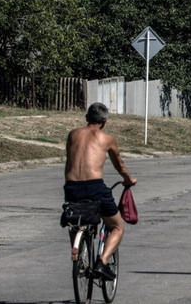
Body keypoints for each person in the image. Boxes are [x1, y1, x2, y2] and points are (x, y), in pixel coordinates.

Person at [64, 102, 137, 280]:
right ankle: (102, 262)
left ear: (87, 118)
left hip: (71, 187)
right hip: (95, 187)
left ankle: (78, 251)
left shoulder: (73, 134)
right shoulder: (107, 138)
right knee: (117, 227)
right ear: (104, 121)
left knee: (76, 219)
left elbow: (70, 160)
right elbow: (119, 165)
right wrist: (128, 180)